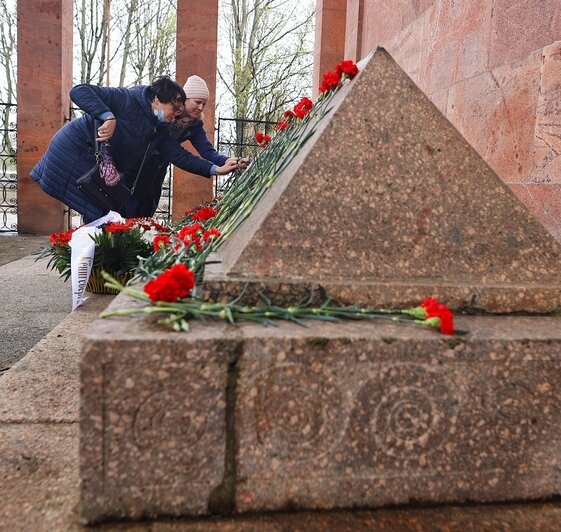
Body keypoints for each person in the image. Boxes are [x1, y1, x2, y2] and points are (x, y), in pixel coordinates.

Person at [30, 76, 238, 222]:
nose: (176, 114)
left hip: (109, 166)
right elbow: (80, 91)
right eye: (174, 109)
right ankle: (97, 269)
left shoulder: (160, 128)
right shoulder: (128, 99)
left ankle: (101, 270)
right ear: (157, 99)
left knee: (105, 214)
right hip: (76, 149)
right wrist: (107, 116)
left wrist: (215, 169)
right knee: (102, 212)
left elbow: (179, 155)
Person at [130, 75, 251, 217]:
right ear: (185, 100)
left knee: (145, 212)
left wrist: (229, 161)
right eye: (198, 102)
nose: (201, 108)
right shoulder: (164, 114)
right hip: (136, 165)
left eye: (204, 104)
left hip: (157, 171)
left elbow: (207, 151)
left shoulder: (194, 125)